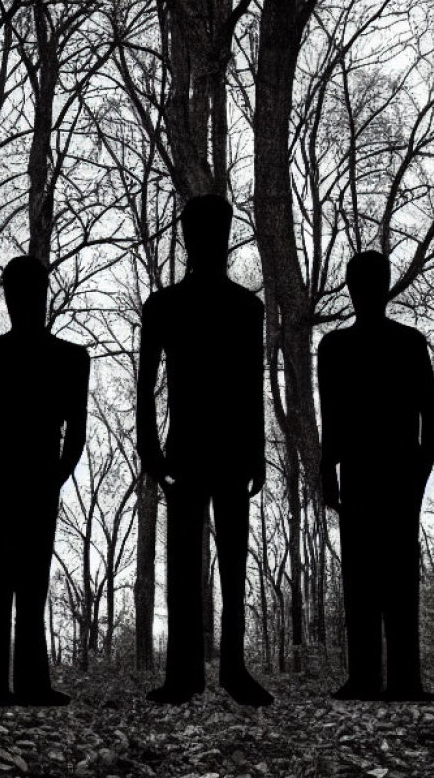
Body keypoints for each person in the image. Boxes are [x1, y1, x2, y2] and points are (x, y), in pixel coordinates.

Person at [136, 194, 272, 706]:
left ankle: (231, 670)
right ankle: (184, 672)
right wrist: (150, 449)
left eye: (218, 231)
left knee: (232, 561)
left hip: (228, 449)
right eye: (202, 232)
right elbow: (145, 383)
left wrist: (257, 451)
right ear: (190, 238)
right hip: (187, 450)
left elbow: (252, 383)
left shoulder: (246, 307)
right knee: (185, 560)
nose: (210, 241)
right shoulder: (165, 306)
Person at [0, 255, 90, 707]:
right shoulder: (66, 358)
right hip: (20, 486)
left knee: (17, 587)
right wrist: (50, 476)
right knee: (19, 586)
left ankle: (6, 686)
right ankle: (15, 685)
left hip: (16, 485)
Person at [318, 251, 434, 701]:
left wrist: (419, 476)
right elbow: (330, 415)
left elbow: (432, 416)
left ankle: (403, 679)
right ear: (352, 288)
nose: (364, 291)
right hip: (363, 476)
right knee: (363, 575)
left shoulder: (408, 343)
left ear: (383, 287)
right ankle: (368, 677)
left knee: (395, 574)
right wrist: (327, 470)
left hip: (394, 477)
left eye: (371, 283)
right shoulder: (334, 347)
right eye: (359, 283)